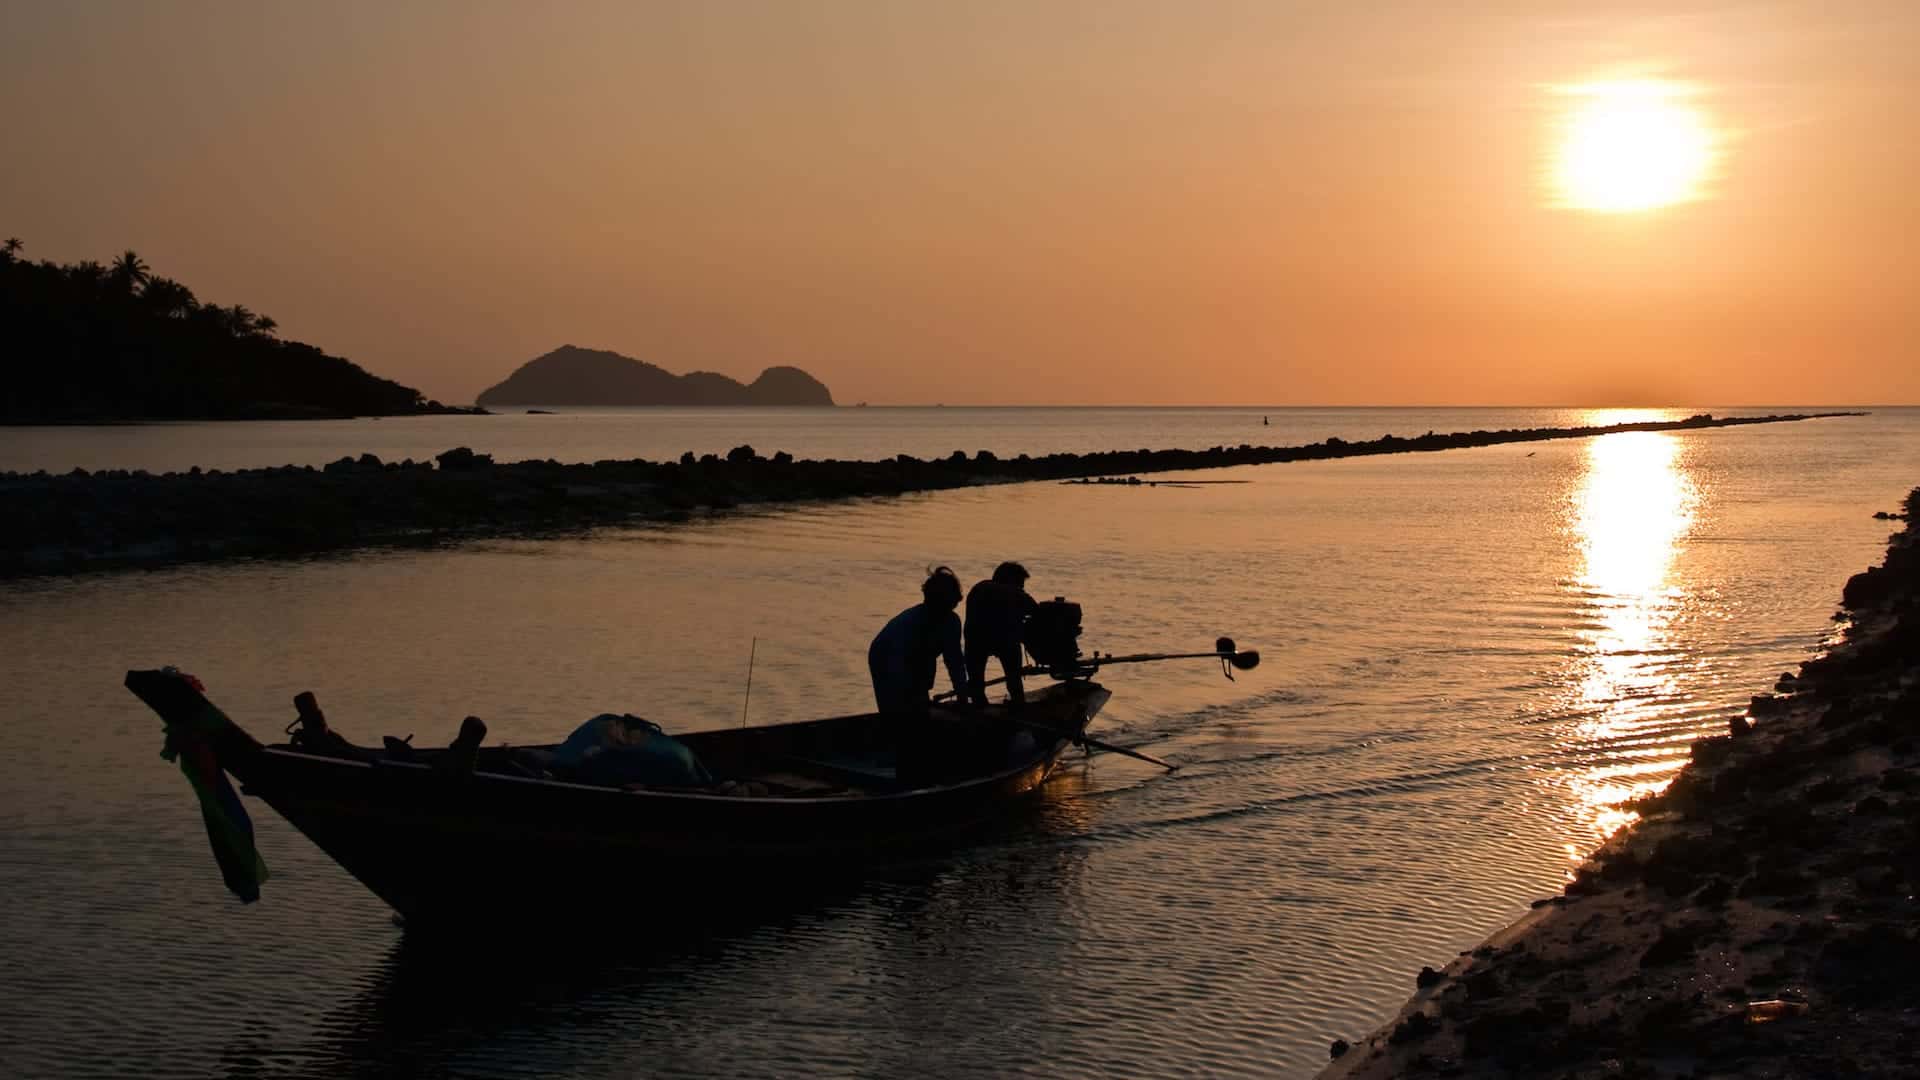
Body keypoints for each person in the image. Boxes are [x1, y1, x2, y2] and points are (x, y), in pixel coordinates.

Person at [869, 567, 972, 780]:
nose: (954, 605)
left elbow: (954, 660)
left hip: (915, 660)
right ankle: (903, 761)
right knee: (899, 713)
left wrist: (963, 695)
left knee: (917, 707)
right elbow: (898, 669)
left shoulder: (951, 622)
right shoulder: (910, 624)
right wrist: (909, 700)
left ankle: (916, 753)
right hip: (884, 656)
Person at [965, 561, 1038, 707]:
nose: (1022, 588)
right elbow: (1035, 610)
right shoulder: (1014, 593)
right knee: (1014, 679)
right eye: (1021, 584)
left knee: (976, 681)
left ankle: (978, 707)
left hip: (975, 639)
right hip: (1004, 640)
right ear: (1013, 581)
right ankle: (1018, 705)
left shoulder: (978, 588)